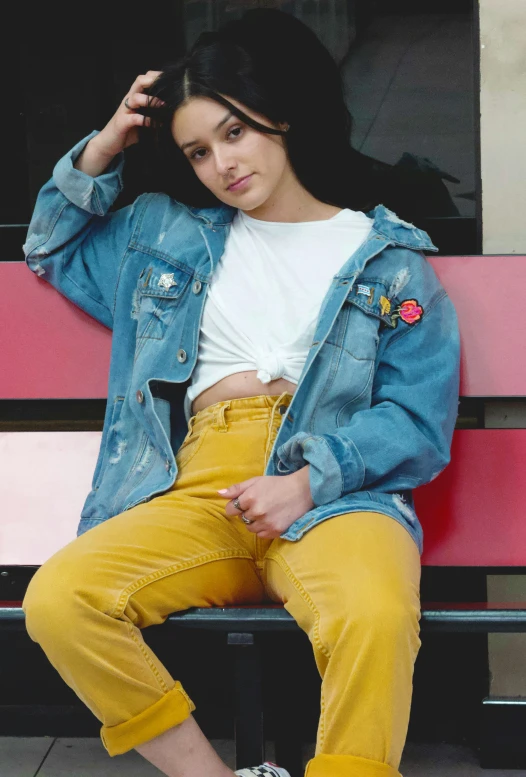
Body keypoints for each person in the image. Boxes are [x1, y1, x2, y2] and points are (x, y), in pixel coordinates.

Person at [21, 9, 460, 777]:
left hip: (334, 494)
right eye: (197, 150)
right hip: (198, 493)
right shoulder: (164, 235)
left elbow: (418, 421)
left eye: (235, 132)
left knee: (376, 613)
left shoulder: (386, 259)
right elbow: (49, 243)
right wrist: (107, 143)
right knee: (60, 599)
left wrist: (307, 481)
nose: (222, 162)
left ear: (278, 119)